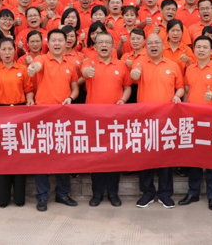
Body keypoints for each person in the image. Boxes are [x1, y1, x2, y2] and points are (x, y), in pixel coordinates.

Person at [27, 29, 79, 211]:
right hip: (43, 117)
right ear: (48, 44)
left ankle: (62, 193)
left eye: (60, 40)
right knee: (42, 157)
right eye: (53, 40)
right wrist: (32, 68)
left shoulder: (70, 64)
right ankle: (42, 196)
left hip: (64, 117)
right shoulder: (41, 59)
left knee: (63, 156)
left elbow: (75, 88)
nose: (57, 43)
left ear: (66, 43)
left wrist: (71, 98)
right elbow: (36, 67)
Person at [130, 34, 185, 209]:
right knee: (146, 156)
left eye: (157, 43)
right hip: (145, 118)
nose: (153, 46)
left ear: (163, 45)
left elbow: (181, 88)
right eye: (150, 43)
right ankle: (147, 192)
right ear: (146, 46)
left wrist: (177, 96)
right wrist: (134, 73)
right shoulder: (139, 63)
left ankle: (165, 193)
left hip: (166, 119)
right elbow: (133, 76)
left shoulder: (173, 65)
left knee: (165, 157)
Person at [0, 38, 34, 208]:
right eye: (3, 49)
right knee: (2, 156)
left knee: (18, 156)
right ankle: (2, 196)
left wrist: (30, 100)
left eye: (9, 49)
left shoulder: (23, 69)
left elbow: (29, 89)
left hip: (19, 114)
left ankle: (19, 196)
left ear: (14, 51)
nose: (6, 52)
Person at [81, 32, 131, 207]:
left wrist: (123, 100)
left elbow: (127, 87)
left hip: (115, 119)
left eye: (107, 42)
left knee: (114, 157)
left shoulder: (121, 65)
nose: (104, 45)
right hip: (94, 119)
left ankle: (113, 193)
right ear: (95, 47)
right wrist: (87, 72)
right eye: (100, 42)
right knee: (97, 157)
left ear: (112, 46)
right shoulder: (88, 62)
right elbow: (84, 72)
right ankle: (97, 194)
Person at [179, 36, 212, 211]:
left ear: (211, 50)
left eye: (204, 47)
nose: (200, 50)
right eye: (198, 47)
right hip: (193, 120)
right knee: (194, 158)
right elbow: (187, 91)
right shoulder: (189, 69)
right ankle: (193, 192)